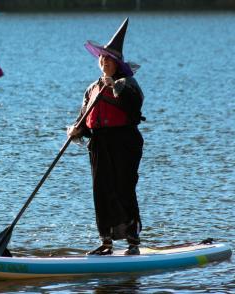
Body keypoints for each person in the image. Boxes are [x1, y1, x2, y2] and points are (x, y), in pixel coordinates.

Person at [67, 18, 145, 255]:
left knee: (123, 188)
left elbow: (134, 108)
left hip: (125, 142)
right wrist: (76, 130)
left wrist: (114, 87)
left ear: (118, 64)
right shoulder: (91, 89)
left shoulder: (128, 84)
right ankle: (106, 242)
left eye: (110, 59)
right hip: (99, 144)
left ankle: (132, 241)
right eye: (102, 58)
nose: (104, 61)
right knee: (101, 191)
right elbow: (85, 119)